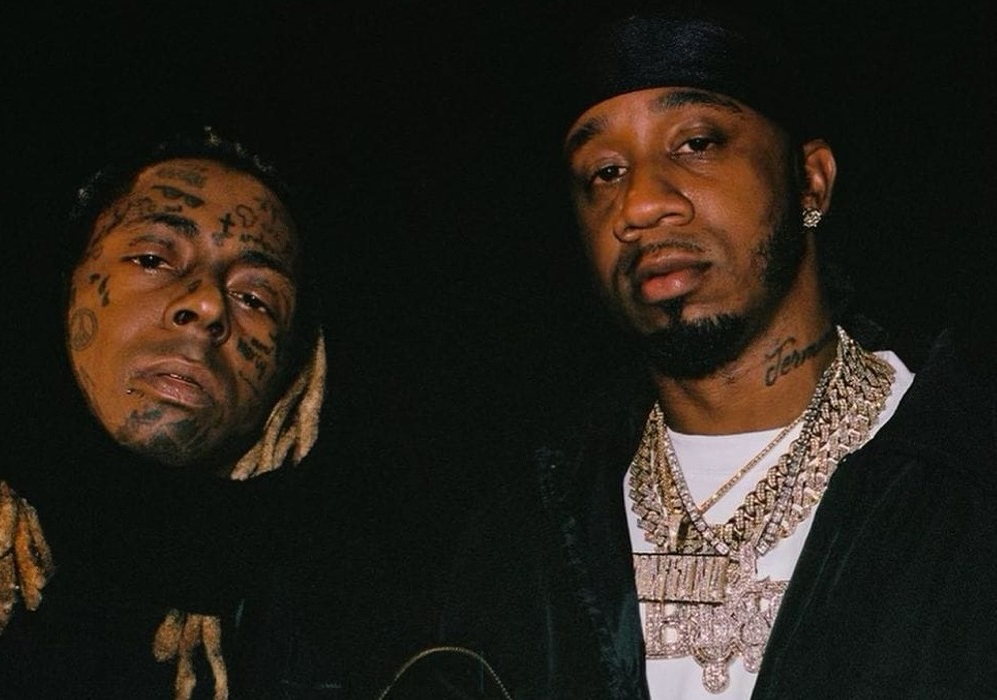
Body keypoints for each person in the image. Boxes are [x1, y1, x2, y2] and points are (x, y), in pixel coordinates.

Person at [418, 5, 997, 699]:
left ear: (810, 181)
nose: (639, 204)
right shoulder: (521, 543)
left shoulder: (965, 475)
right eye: (604, 172)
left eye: (695, 143)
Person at [0, 128, 329, 699]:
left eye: (255, 297)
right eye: (153, 259)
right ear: (63, 286)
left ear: (296, 376)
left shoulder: (330, 628)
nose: (207, 305)